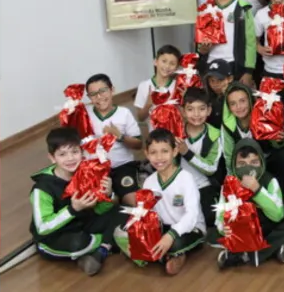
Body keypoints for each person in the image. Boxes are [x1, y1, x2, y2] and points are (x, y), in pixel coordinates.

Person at [29, 128, 126, 276]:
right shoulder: (42, 188)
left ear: (82, 152)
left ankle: (100, 251)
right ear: (52, 157)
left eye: (75, 152)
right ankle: (106, 245)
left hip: (83, 225)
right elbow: (43, 227)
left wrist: (108, 194)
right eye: (62, 154)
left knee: (122, 211)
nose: (70, 158)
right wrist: (73, 209)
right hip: (56, 236)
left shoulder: (87, 173)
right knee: (78, 243)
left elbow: (98, 210)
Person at [115, 129, 205, 275]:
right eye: (153, 152)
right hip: (163, 228)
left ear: (175, 151)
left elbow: (192, 215)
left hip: (190, 229)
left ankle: (167, 254)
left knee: (175, 244)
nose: (159, 157)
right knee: (121, 232)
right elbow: (147, 213)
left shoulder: (185, 178)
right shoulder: (149, 182)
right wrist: (137, 229)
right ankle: (168, 256)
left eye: (164, 151)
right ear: (146, 154)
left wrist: (170, 236)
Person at [216, 138, 284, 268]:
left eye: (254, 162)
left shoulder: (270, 181)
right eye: (242, 164)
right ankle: (271, 250)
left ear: (261, 162)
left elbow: (278, 215)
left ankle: (247, 254)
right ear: (234, 165)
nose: (248, 167)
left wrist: (257, 190)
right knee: (215, 234)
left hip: (267, 228)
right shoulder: (229, 183)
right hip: (242, 230)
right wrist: (223, 228)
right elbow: (220, 214)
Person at [220, 83, 284, 196]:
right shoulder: (228, 126)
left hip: (267, 161)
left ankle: (282, 195)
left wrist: (279, 139)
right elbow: (229, 156)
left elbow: (277, 145)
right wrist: (232, 180)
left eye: (242, 101)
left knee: (283, 155)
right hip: (244, 167)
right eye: (233, 104)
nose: (239, 107)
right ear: (228, 107)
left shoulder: (262, 116)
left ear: (250, 100)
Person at [176, 87, 230, 232]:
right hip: (179, 187)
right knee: (175, 213)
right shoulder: (176, 132)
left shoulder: (215, 135)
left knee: (211, 218)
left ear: (209, 110)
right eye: (190, 109)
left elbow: (211, 168)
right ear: (183, 111)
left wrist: (187, 153)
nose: (196, 114)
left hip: (203, 186)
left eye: (201, 109)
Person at [197, 0, 258, 88]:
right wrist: (202, 50)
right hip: (211, 63)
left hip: (235, 64)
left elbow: (250, 41)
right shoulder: (205, 8)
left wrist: (248, 71)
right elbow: (199, 41)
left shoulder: (242, 7)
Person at [85, 73, 141, 207]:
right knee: (95, 204)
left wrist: (120, 136)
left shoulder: (124, 113)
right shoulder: (85, 116)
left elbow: (138, 144)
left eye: (103, 91)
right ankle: (114, 198)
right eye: (93, 94)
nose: (99, 97)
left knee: (133, 201)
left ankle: (119, 196)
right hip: (95, 168)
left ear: (112, 90)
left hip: (122, 166)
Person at [134, 44, 181, 122]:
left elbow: (184, 116)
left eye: (172, 63)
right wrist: (148, 104)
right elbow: (140, 118)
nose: (167, 66)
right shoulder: (144, 86)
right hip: (154, 133)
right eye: (164, 61)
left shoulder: (178, 86)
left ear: (176, 67)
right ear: (156, 62)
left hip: (174, 132)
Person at [202, 59, 233, 129]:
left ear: (230, 79)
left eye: (220, 80)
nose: (215, 84)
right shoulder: (206, 97)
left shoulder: (236, 96)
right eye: (212, 80)